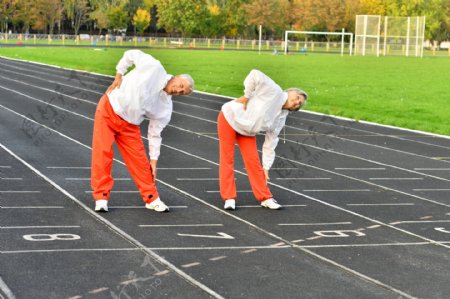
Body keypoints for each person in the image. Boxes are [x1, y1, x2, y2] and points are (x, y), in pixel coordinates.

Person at [91, 49, 194, 213]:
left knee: (141, 162)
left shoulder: (166, 108)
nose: (179, 90)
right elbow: (130, 54)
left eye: (183, 93)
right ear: (177, 77)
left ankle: (152, 198)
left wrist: (154, 160)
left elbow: (155, 134)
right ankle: (101, 198)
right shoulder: (154, 67)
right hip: (109, 109)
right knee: (102, 154)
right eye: (181, 86)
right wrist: (119, 74)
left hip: (130, 125)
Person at [218, 69, 307, 210]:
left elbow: (271, 141)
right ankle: (229, 198)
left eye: (299, 103)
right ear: (289, 92)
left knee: (254, 162)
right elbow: (254, 74)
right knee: (227, 158)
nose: (297, 101)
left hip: (247, 130)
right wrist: (247, 96)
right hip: (230, 118)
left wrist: (267, 166)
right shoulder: (275, 91)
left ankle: (265, 198)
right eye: (297, 97)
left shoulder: (282, 117)